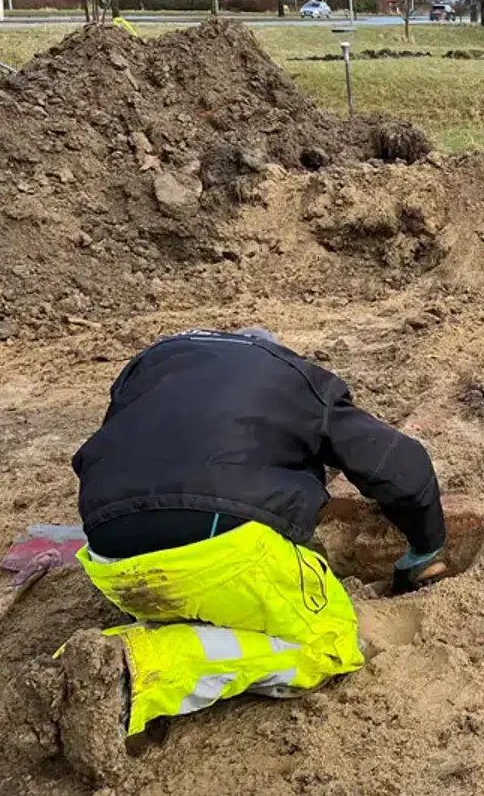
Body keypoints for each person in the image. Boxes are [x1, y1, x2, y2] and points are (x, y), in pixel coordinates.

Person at [54, 326, 447, 778]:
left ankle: (75, 664)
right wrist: (425, 544)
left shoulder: (153, 362)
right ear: (273, 350)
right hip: (223, 544)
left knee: (214, 596)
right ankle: (130, 673)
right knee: (329, 644)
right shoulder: (298, 379)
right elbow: (402, 468)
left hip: (109, 552)